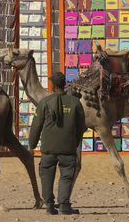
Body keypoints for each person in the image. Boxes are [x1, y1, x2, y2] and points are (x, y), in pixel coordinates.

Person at [29, 71, 86, 215]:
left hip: (48, 148)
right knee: (66, 175)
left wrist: (32, 145)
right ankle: (64, 205)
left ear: (53, 86)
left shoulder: (44, 103)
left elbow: (36, 126)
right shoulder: (75, 103)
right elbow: (81, 127)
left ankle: (49, 205)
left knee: (46, 175)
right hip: (68, 148)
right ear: (64, 85)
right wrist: (74, 142)